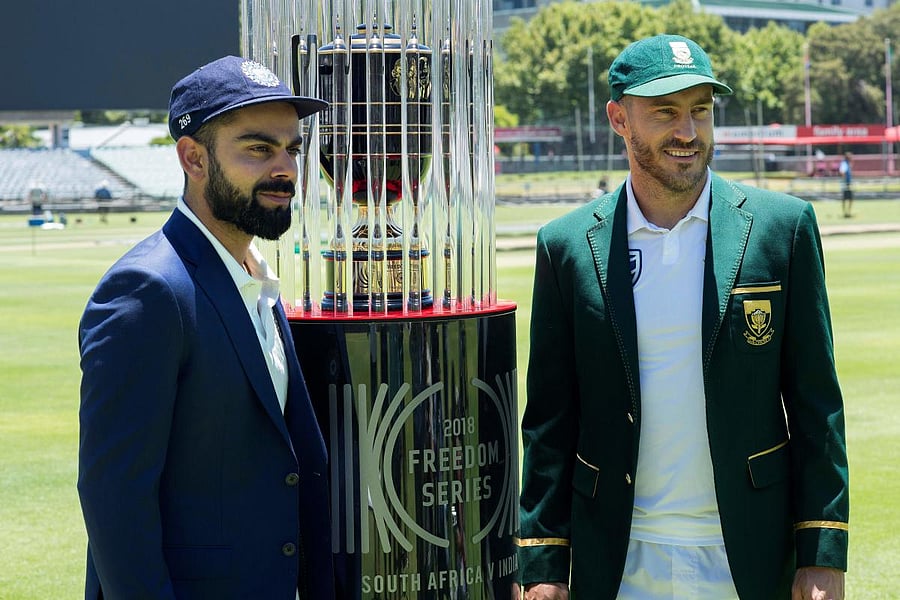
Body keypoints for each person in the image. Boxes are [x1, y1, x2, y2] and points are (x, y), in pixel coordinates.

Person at [516, 35, 848, 600]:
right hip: (620, 562)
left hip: (746, 554)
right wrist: (543, 565)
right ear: (619, 119)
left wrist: (822, 552)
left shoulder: (781, 229)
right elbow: (549, 423)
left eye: (701, 109)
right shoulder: (565, 246)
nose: (688, 132)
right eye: (665, 111)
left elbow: (818, 406)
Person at [77, 56, 333, 599]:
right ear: (193, 157)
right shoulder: (146, 291)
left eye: (292, 149)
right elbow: (115, 499)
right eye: (259, 148)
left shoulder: (256, 277)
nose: (284, 167)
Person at [839, 152, 853, 218]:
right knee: (845, 199)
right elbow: (842, 172)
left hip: (848, 183)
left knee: (850, 199)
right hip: (846, 184)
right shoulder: (844, 163)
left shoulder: (848, 164)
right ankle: (845, 213)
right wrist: (845, 182)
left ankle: (848, 212)